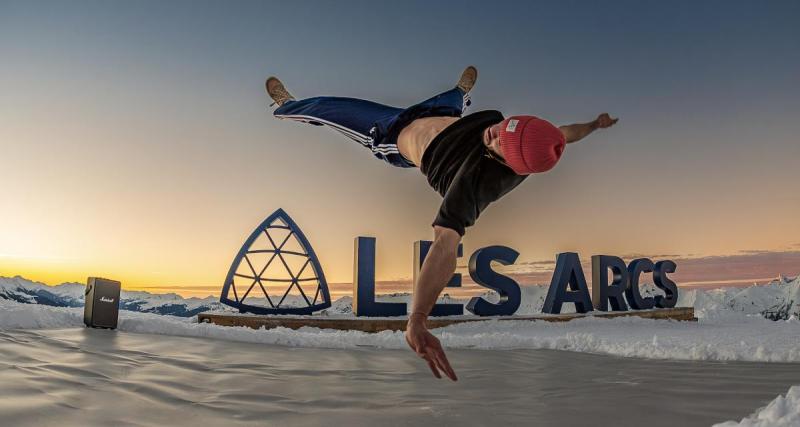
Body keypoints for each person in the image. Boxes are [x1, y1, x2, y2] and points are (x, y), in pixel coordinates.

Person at [265, 67, 618, 381]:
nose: (493, 131)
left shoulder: (472, 187)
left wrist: (417, 319)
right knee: (451, 98)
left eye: (498, 139)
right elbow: (565, 134)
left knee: (332, 110)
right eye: (502, 126)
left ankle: (287, 108)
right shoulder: (535, 138)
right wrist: (594, 125)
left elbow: (444, 247)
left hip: (390, 132)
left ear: (508, 161)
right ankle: (460, 96)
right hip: (443, 113)